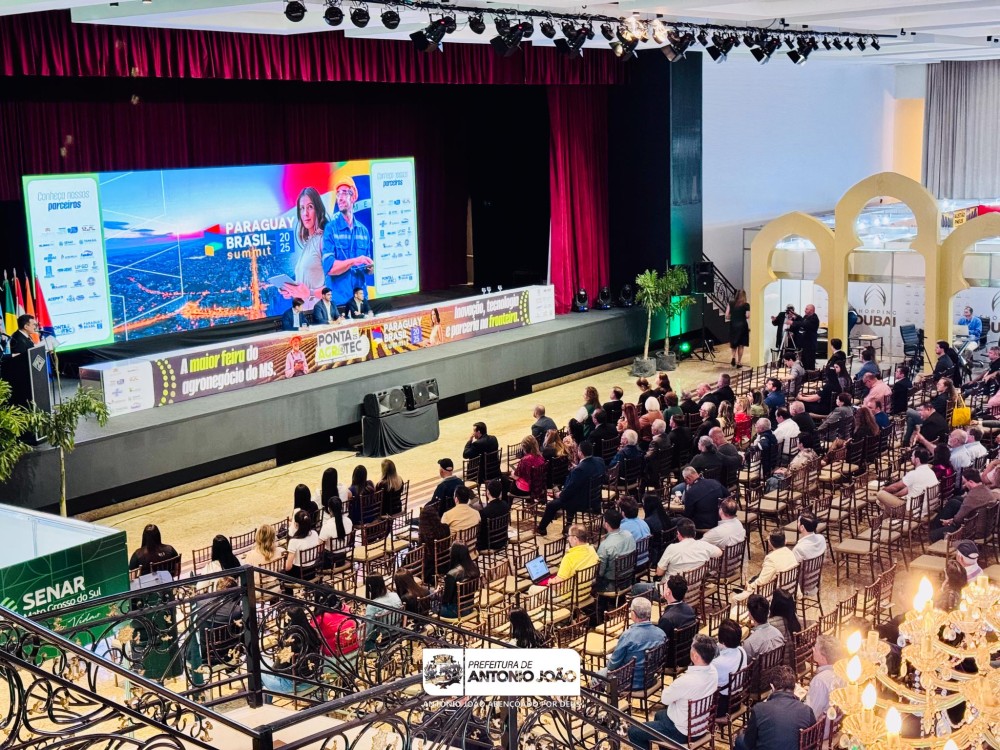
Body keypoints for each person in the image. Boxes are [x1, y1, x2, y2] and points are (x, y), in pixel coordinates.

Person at [627, 634, 719, 749]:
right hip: (701, 725)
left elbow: (665, 699)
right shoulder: (713, 672)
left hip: (681, 732)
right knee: (659, 715)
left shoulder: (686, 681)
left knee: (634, 731)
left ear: (695, 656)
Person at [635, 519, 721, 600]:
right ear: (694, 533)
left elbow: (659, 572)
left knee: (636, 588)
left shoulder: (672, 548)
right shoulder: (703, 545)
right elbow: (719, 552)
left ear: (678, 534)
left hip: (670, 592)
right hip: (694, 590)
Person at [735, 666, 815, 750]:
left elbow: (749, 743)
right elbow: (812, 741)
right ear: (794, 687)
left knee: (740, 739)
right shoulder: (807, 710)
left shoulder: (759, 709)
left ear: (772, 686)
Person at [536, 440, 606, 536]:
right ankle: (568, 524)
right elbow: (589, 472)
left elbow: (570, 490)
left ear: (580, 453)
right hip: (594, 497)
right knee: (569, 496)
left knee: (552, 505)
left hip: (582, 501)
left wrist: (560, 494)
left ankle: (541, 528)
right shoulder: (599, 461)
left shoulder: (579, 470)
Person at [322, 175, 372, 305]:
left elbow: (366, 269)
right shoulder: (330, 229)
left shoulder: (363, 231)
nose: (340, 197)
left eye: (344, 193)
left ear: (353, 196)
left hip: (361, 302)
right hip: (338, 304)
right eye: (338, 193)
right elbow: (329, 268)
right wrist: (354, 261)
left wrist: (370, 268)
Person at [601, 597, 666, 692]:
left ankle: (600, 700)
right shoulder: (661, 634)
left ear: (633, 614)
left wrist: (609, 661)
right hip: (650, 679)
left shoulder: (628, 636)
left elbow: (612, 666)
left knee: (596, 677)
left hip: (627, 682)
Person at [261, 606, 323, 698]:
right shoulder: (313, 633)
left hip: (293, 686)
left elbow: (277, 668)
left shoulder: (290, 641)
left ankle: (259, 702)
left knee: (258, 665)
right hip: (314, 679)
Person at [529, 524, 599, 594]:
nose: (568, 539)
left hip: (567, 595)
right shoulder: (592, 550)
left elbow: (557, 586)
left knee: (532, 589)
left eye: (569, 536)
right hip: (585, 591)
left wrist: (551, 581)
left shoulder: (569, 558)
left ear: (575, 539)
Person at [934, 468, 998, 541]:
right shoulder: (986, 490)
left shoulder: (972, 496)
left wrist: (949, 521)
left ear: (971, 482)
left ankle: (935, 529)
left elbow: (957, 521)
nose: (964, 485)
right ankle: (938, 526)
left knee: (933, 535)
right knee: (955, 502)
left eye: (965, 482)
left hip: (973, 532)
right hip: (985, 528)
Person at [732, 532, 798, 603]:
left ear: (770, 543)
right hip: (791, 589)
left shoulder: (771, 558)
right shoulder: (790, 552)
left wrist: (750, 586)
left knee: (735, 598)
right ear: (785, 541)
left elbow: (762, 581)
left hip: (772, 594)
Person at [289, 187, 329, 301]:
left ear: (318, 209)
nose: (305, 213)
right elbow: (305, 287)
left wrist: (310, 293)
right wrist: (292, 291)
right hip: (304, 310)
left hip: (320, 310)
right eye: (302, 208)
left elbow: (335, 287)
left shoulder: (323, 240)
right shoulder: (308, 243)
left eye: (310, 207)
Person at [876, 446, 938, 515]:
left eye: (912, 456)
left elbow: (895, 487)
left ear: (917, 460)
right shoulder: (931, 472)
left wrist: (883, 490)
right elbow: (908, 489)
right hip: (926, 508)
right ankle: (886, 517)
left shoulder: (914, 474)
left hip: (913, 511)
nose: (911, 457)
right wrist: (894, 496)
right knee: (887, 505)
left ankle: (888, 515)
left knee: (880, 494)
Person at [806, 636, 845, 732]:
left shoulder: (820, 680)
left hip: (821, 730)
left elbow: (811, 714)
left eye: (816, 649)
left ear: (823, 658)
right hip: (835, 722)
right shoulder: (842, 671)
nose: (813, 649)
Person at [596, 509, 637, 591]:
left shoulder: (605, 546)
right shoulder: (629, 535)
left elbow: (600, 573)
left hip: (611, 584)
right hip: (629, 578)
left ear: (606, 524)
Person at [713, 619, 748, 714]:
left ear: (723, 641)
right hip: (737, 700)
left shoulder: (717, 663)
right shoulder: (742, 651)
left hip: (721, 706)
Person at [3, 314, 37, 407]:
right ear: (26, 326)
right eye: (34, 324)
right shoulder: (17, 338)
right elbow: (21, 358)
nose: (35, 327)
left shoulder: (25, 336)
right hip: (22, 378)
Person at [438, 542, 479, 618]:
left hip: (455, 611)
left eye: (451, 549)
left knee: (428, 604)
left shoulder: (452, 574)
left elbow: (445, 600)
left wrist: (438, 592)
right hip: (469, 607)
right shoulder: (474, 567)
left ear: (455, 554)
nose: (449, 549)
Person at [681, 466, 729, 531]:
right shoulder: (714, 482)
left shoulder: (690, 492)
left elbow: (688, 514)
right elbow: (728, 495)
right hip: (719, 521)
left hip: (701, 525)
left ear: (688, 479)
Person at [741, 594, 785, 660]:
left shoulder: (749, 643)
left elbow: (745, 663)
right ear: (768, 612)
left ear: (750, 615)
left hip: (759, 667)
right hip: (777, 665)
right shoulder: (779, 634)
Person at [363, 574, 403, 648]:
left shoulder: (372, 606)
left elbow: (367, 631)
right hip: (397, 632)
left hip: (381, 639)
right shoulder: (395, 595)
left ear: (370, 587)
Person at [656, 574, 697, 641]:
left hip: (671, 647)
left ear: (668, 592)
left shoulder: (666, 619)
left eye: (665, 587)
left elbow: (659, 640)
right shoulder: (690, 609)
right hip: (688, 645)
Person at [417, 505, 451, 583]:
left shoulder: (425, 534)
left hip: (431, 565)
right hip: (445, 561)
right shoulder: (445, 527)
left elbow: (422, 551)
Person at [285, 509, 320, 580]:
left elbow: (288, 567)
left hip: (299, 574)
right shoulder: (315, 534)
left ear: (296, 524)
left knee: (281, 572)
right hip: (313, 569)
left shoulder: (294, 541)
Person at [477, 478, 510, 551]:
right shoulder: (505, 505)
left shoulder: (484, 512)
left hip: (490, 544)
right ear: (500, 493)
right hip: (503, 539)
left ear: (487, 492)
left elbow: (482, 533)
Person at [790, 304, 820, 369]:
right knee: (804, 362)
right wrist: (796, 316)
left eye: (806, 309)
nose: (805, 310)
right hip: (804, 345)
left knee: (809, 362)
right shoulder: (806, 316)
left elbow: (805, 324)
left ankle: (810, 374)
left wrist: (792, 323)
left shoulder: (814, 319)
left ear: (811, 310)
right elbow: (802, 320)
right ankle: (805, 373)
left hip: (810, 345)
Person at [726, 289, 750, 368]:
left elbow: (727, 315)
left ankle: (733, 357)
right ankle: (739, 362)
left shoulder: (731, 303)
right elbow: (747, 316)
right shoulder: (746, 305)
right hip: (742, 326)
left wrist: (733, 316)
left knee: (734, 343)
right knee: (741, 345)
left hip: (733, 325)